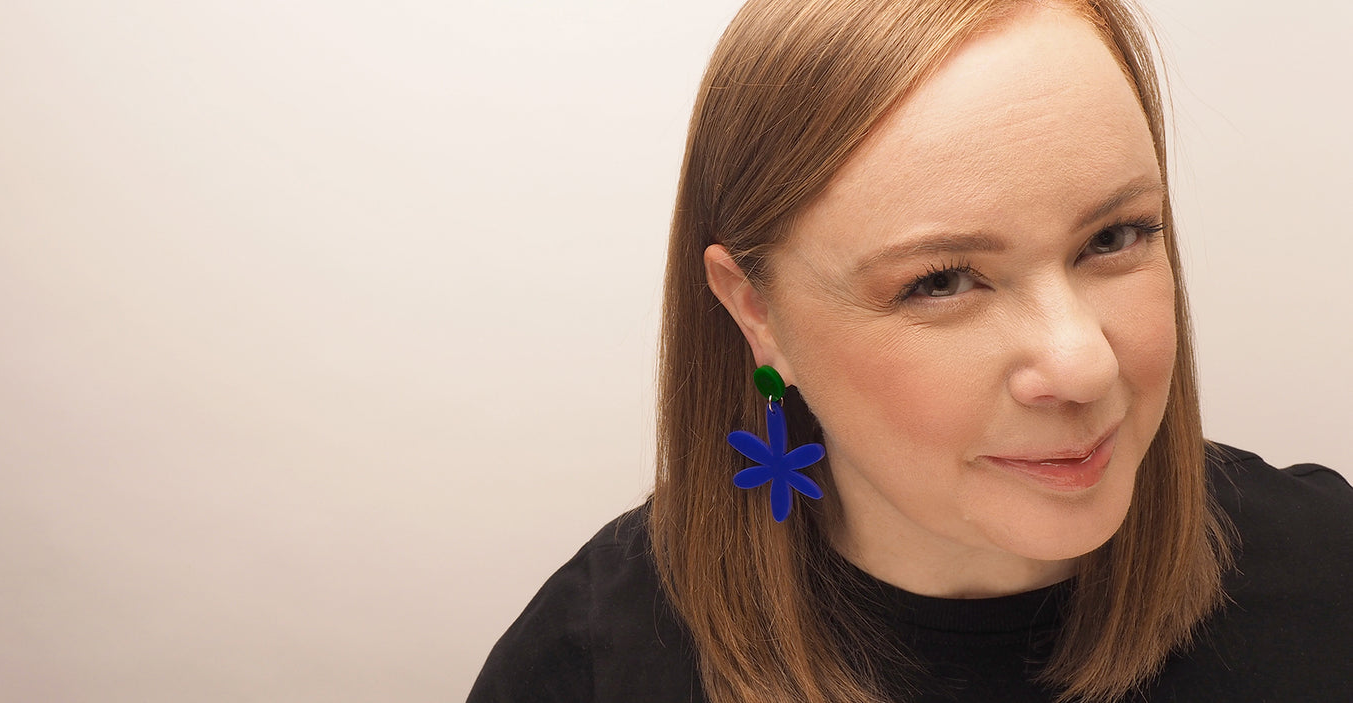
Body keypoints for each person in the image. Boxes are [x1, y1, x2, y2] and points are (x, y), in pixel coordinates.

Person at [466, 0, 1353, 701]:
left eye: (1115, 236)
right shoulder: (589, 665)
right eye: (941, 280)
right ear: (755, 311)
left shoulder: (1331, 573)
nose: (1083, 362)